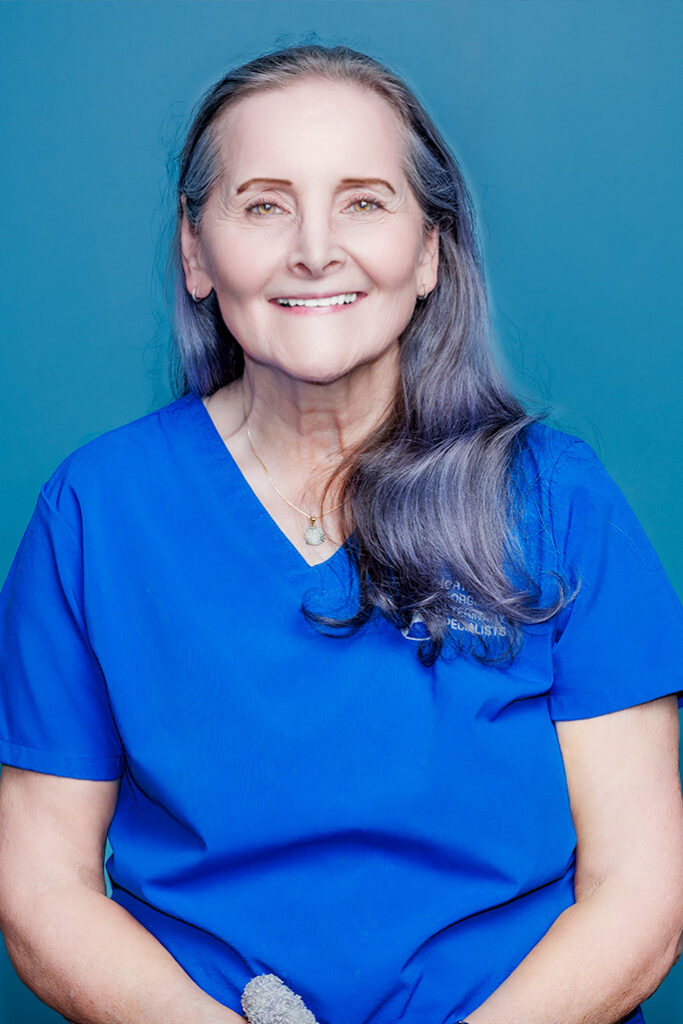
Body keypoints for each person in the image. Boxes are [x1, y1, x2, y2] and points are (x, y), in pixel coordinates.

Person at [0, 42, 682, 1024]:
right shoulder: (93, 512)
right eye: (263, 204)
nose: (314, 248)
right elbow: (43, 893)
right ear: (196, 253)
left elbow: (639, 896)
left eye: (362, 201)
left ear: (429, 252)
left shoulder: (558, 497)